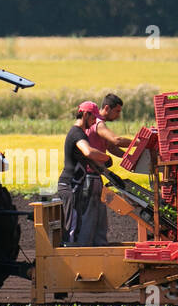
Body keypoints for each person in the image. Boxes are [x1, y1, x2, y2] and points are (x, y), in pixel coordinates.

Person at [56, 101, 111, 246]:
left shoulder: (82, 134)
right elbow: (88, 152)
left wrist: (106, 170)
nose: (94, 122)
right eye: (93, 118)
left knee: (78, 223)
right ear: (86, 114)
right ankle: (70, 259)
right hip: (69, 186)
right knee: (72, 227)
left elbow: (89, 160)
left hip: (76, 186)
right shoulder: (76, 133)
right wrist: (106, 157)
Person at [82, 94, 133, 246]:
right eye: (117, 111)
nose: (118, 115)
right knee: (90, 219)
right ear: (106, 108)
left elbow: (111, 147)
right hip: (89, 177)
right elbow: (116, 140)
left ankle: (99, 250)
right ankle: (85, 252)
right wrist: (139, 142)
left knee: (99, 219)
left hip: (95, 176)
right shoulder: (98, 124)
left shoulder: (97, 124)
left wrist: (129, 157)